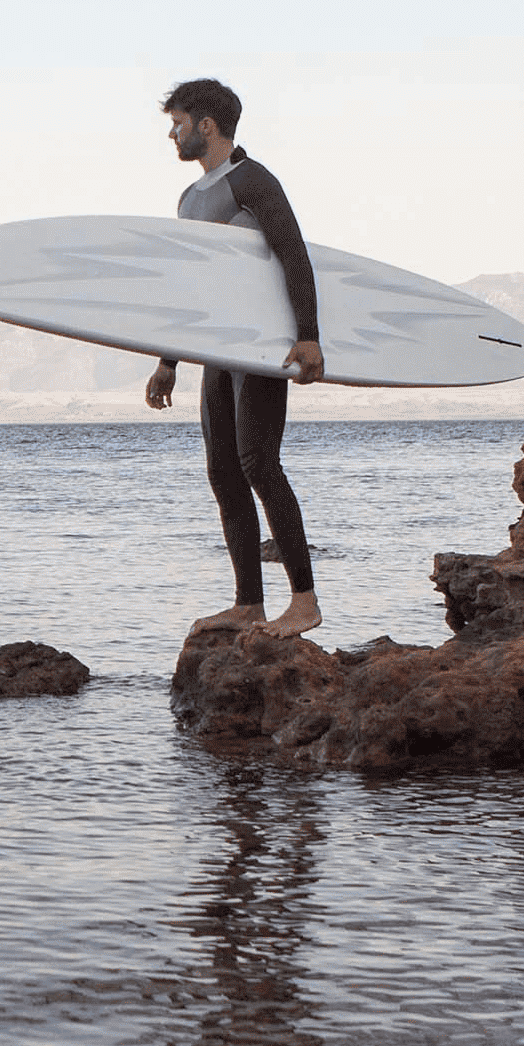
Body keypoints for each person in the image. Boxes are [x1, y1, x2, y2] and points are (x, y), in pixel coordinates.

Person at [142, 78, 325, 637]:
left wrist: (309, 335)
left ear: (206, 125)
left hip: (262, 346)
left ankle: (305, 603)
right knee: (224, 472)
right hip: (215, 350)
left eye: (177, 123)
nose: (172, 134)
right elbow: (191, 289)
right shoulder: (189, 199)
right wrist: (169, 359)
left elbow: (294, 255)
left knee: (259, 463)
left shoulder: (253, 181)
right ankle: (248, 603)